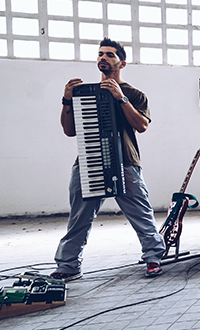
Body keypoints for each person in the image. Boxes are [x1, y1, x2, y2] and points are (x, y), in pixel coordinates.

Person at [52, 38, 165, 280]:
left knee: (141, 213)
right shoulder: (83, 93)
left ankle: (154, 258)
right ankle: (67, 266)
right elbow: (69, 130)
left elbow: (142, 126)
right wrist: (66, 99)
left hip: (125, 161)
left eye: (110, 55)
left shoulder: (135, 94)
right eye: (100, 54)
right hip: (88, 162)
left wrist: (120, 97)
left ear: (121, 63)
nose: (103, 58)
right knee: (79, 218)